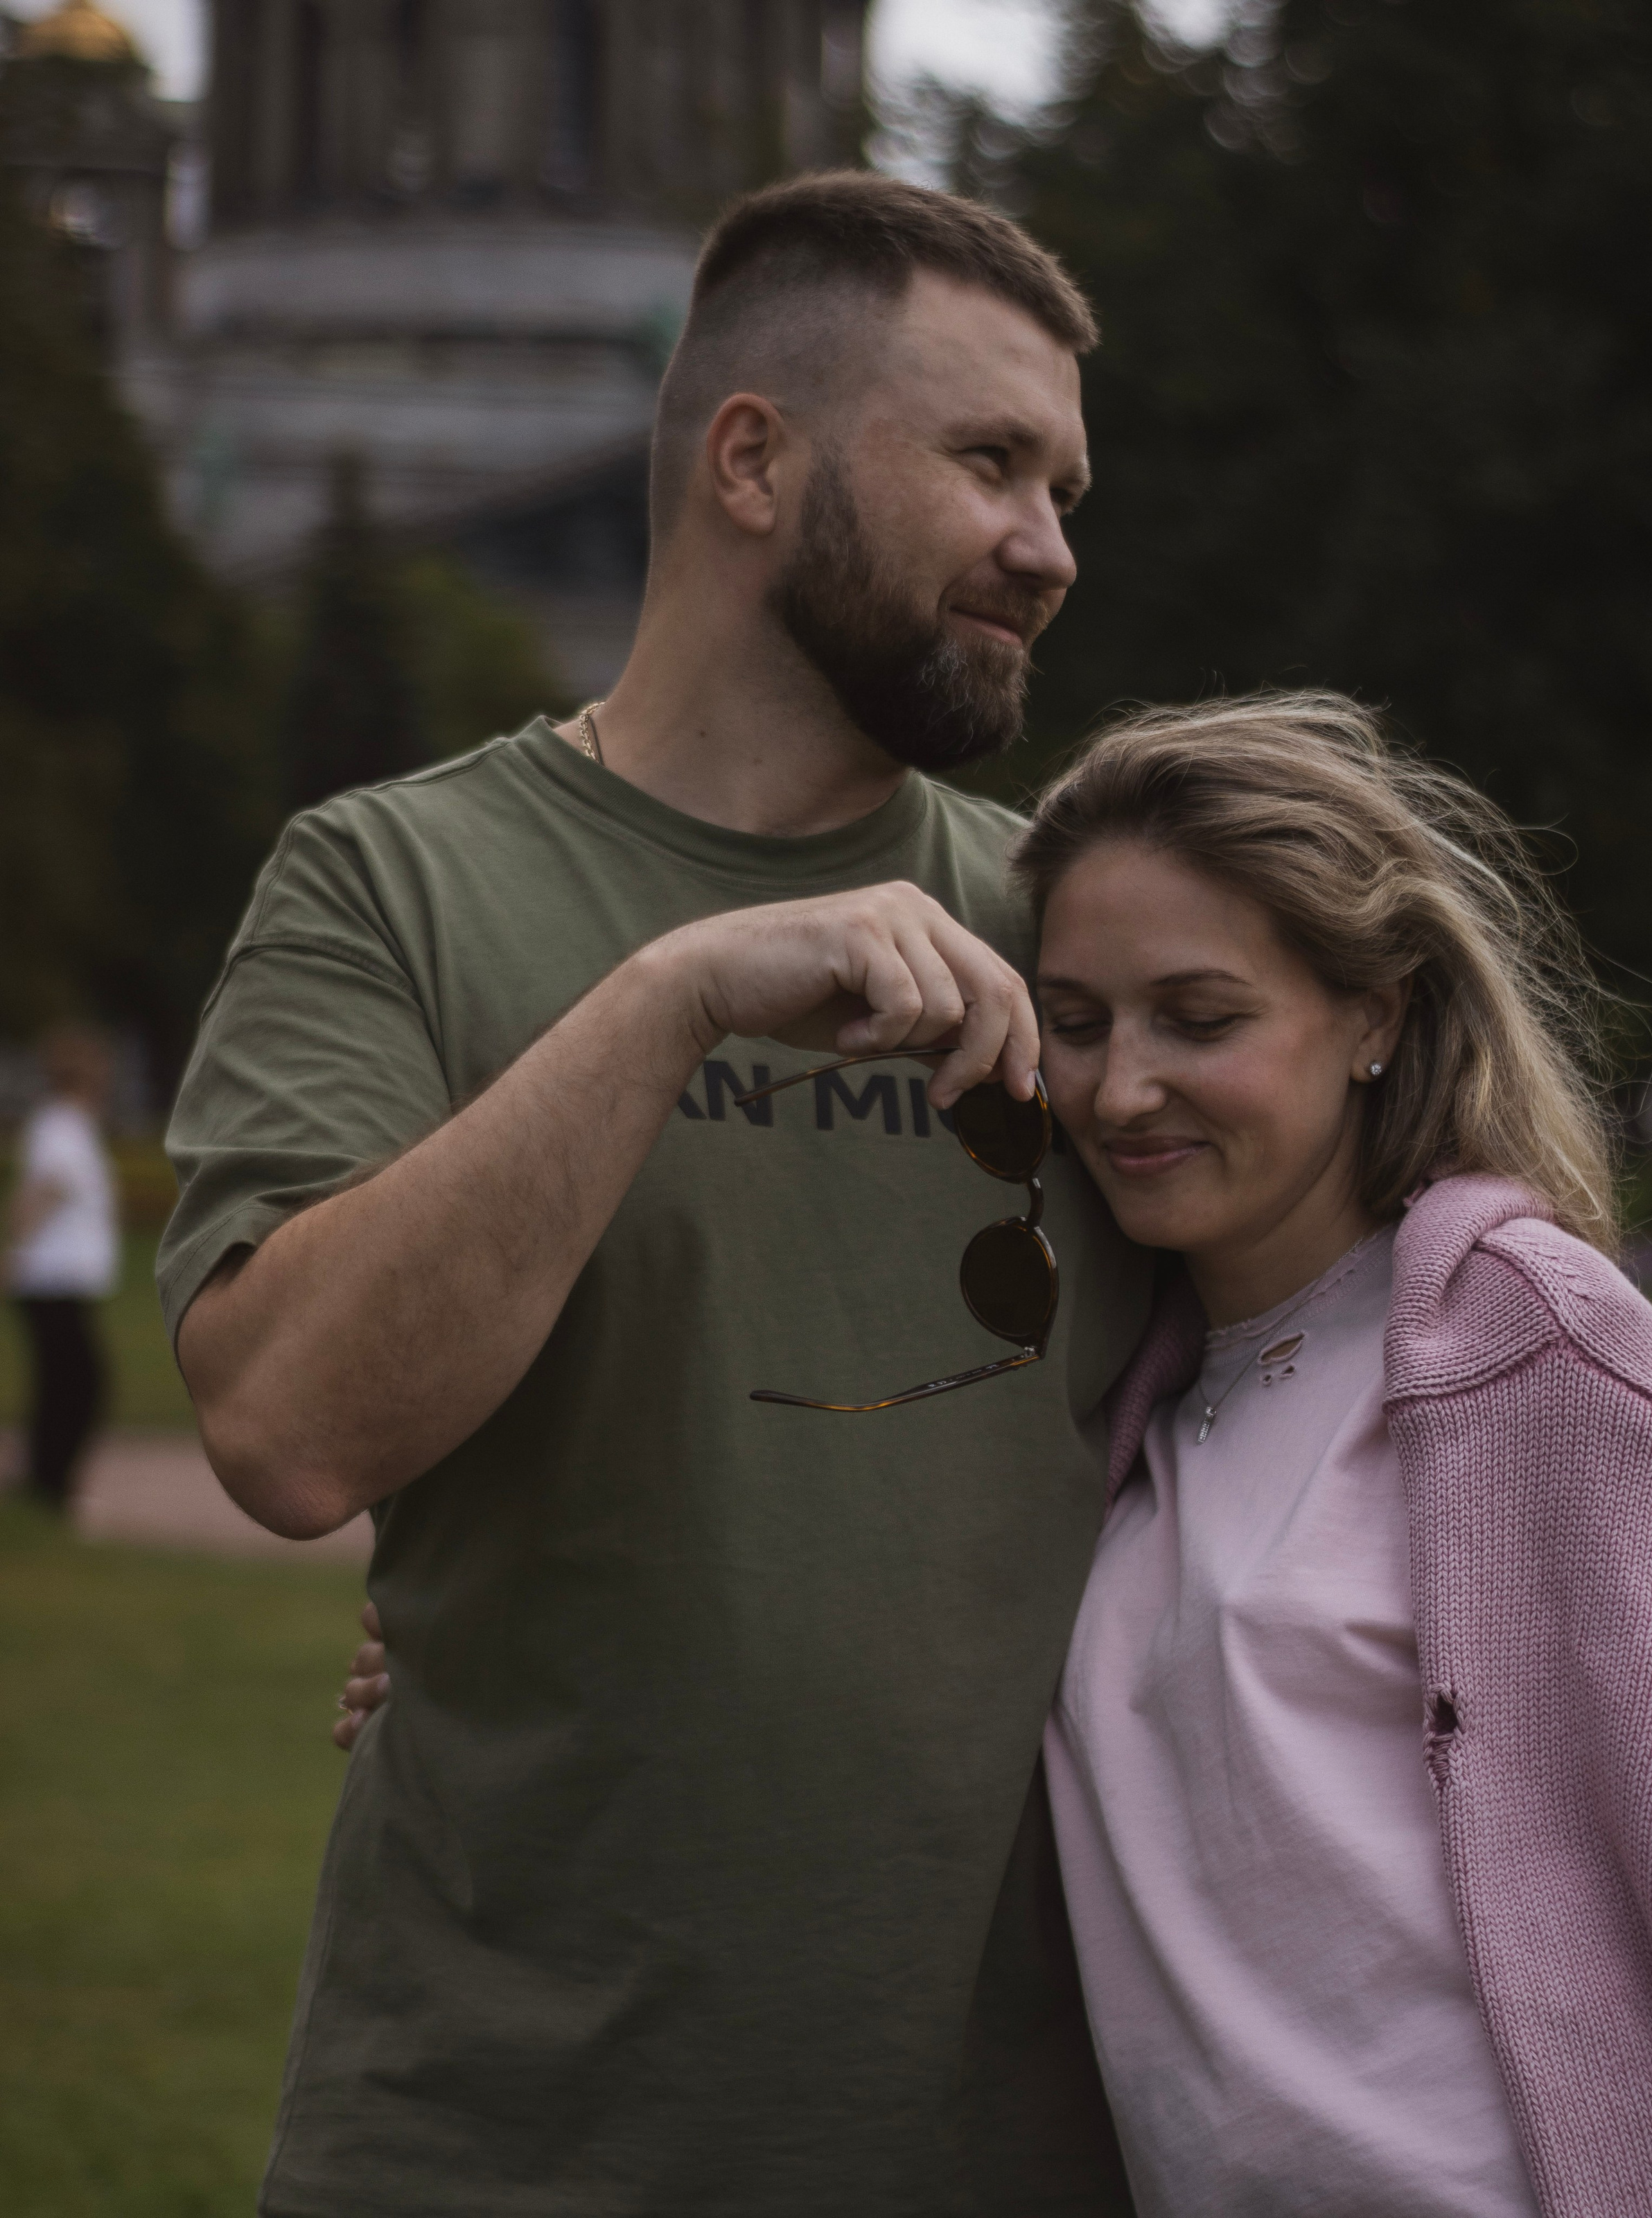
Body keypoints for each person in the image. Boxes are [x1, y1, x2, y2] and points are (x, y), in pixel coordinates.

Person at [159, 173, 1152, 2217]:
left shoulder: (1089, 934)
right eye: (987, 462)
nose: (1049, 550)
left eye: (1063, 485)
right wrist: (674, 994)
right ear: (751, 458)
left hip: (1004, 2161)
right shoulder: (385, 886)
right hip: (488, 2148)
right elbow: (285, 1428)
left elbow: (1381, 1350)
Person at [1015, 693, 1652, 2214]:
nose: (1117, 1088)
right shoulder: (1121, 1391)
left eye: (1200, 1016)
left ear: (1373, 1012)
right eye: (1078, 1021)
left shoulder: (1531, 1348)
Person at [7, 1023, 118, 1512]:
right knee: (78, 1384)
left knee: (64, 1384)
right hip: (51, 1280)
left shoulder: (66, 1125)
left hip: (60, 1281)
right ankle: (52, 1489)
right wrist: (15, 1251)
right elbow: (41, 1193)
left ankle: (46, 1485)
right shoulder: (63, 1127)